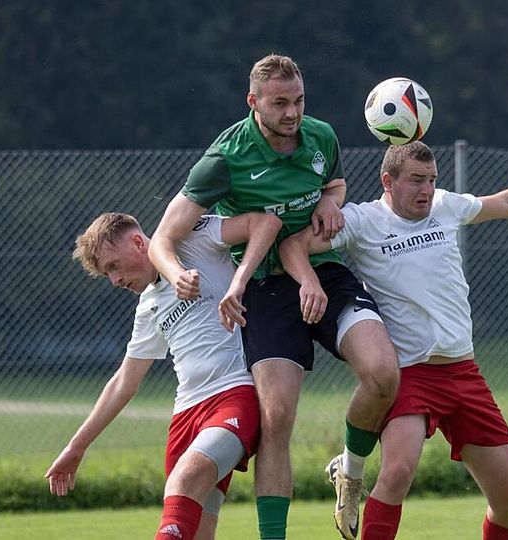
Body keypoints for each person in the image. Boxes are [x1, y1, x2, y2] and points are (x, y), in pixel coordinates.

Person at [279, 141, 508, 540]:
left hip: (464, 373)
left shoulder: (445, 206)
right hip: (411, 375)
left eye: (431, 180)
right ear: (388, 182)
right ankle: (351, 481)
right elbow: (292, 245)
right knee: (396, 473)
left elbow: (507, 203)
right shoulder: (362, 221)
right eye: (416, 180)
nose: (426, 190)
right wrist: (309, 281)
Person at [148, 54, 399, 540]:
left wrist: (330, 199)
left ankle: (348, 470)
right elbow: (163, 236)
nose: (292, 113)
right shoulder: (225, 157)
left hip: (322, 270)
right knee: (277, 417)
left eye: (299, 100)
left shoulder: (321, 136)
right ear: (253, 103)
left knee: (383, 373)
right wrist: (176, 272)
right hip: (266, 286)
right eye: (280, 103)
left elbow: (336, 183)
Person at [46, 210, 281, 540]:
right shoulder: (147, 307)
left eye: (112, 266)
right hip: (185, 418)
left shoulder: (195, 240)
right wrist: (76, 447)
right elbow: (123, 384)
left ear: (138, 242)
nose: (114, 280)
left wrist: (240, 282)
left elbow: (266, 222)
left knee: (185, 480)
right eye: (106, 274)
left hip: (233, 398)